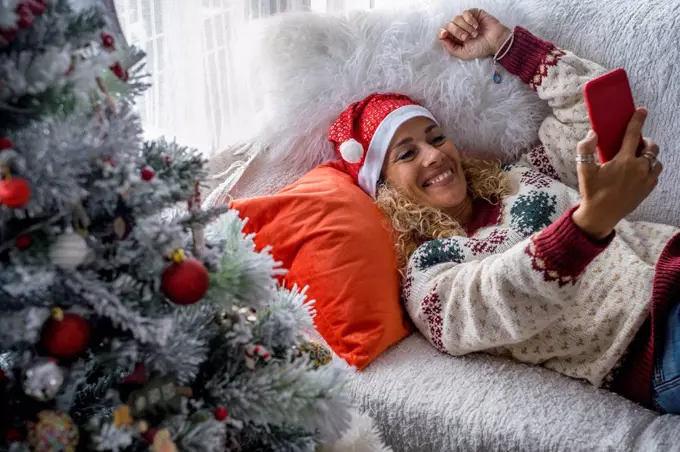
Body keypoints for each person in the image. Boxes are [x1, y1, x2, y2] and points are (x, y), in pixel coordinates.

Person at [328, 8, 680, 414]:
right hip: (652, 341)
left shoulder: (520, 177)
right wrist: (588, 226)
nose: (434, 155)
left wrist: (508, 45)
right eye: (407, 153)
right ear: (384, 188)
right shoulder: (428, 274)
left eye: (436, 137)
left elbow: (594, 121)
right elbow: (498, 299)